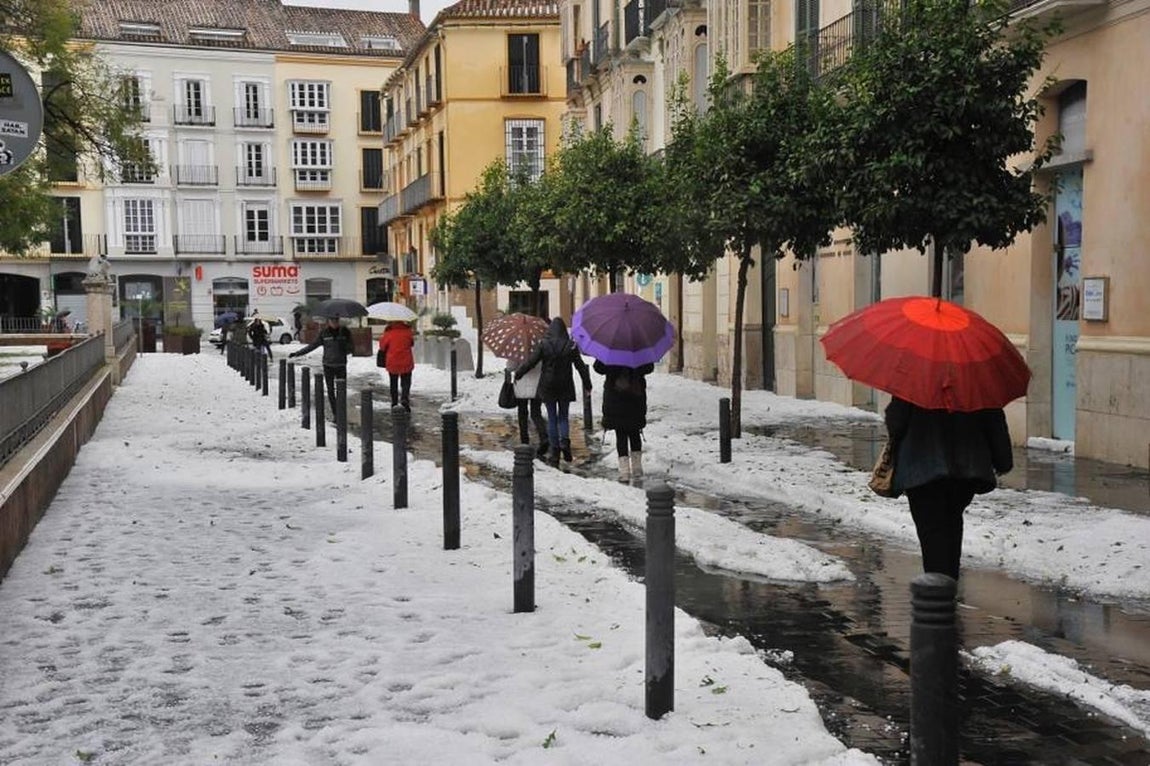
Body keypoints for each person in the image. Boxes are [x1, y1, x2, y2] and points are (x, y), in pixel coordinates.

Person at [884, 396, 1014, 581]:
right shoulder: (974, 386)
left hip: (922, 470)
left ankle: (938, 587)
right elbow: (994, 421)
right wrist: (1003, 461)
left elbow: (896, 424)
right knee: (951, 524)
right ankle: (948, 582)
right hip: (964, 471)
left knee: (932, 531)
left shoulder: (915, 386)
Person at [515, 317, 592, 467]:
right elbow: (580, 366)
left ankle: (555, 451)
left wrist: (519, 373)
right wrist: (587, 384)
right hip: (565, 384)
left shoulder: (544, 344)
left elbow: (531, 362)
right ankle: (565, 442)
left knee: (552, 417)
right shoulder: (571, 346)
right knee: (563, 416)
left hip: (548, 385)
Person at [593, 360, 654, 481]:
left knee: (621, 435)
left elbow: (599, 368)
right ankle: (637, 469)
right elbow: (649, 368)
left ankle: (624, 471)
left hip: (616, 399)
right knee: (635, 433)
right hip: (635, 399)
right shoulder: (638, 352)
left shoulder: (612, 354)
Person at [289, 316, 352, 413]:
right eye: (332, 320)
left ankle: (341, 412)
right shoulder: (324, 333)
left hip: (341, 365)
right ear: (329, 322)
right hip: (328, 365)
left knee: (341, 390)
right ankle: (335, 413)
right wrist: (297, 353)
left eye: (336, 320)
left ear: (338, 321)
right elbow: (313, 345)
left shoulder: (345, 332)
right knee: (330, 391)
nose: (334, 323)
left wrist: (344, 348)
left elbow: (351, 348)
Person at [509, 347, 548, 460]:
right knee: (536, 413)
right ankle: (543, 436)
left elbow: (510, 367)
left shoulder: (518, 347)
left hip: (521, 385)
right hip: (537, 385)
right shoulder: (540, 347)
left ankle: (524, 440)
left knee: (522, 413)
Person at [377, 321, 415, 410]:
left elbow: (382, 347)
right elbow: (411, 343)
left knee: (393, 382)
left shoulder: (389, 332)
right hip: (406, 360)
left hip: (392, 361)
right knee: (406, 382)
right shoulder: (408, 331)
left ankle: (394, 402)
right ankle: (404, 398)